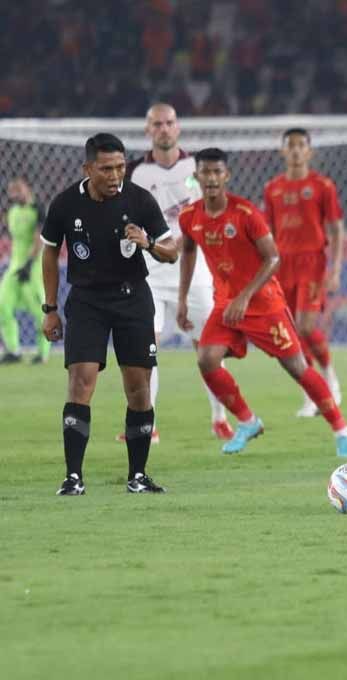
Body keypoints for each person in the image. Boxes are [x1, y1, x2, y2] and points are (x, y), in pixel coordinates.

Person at [177, 148, 347, 457]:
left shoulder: (245, 213)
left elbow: (273, 258)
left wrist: (245, 297)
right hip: (226, 305)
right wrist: (182, 297)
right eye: (205, 172)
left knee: (297, 368)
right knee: (206, 359)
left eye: (217, 172)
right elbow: (188, 252)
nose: (211, 178)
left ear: (226, 176)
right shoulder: (189, 217)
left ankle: (342, 429)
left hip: (263, 304)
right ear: (196, 177)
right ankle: (248, 422)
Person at [40, 133, 178, 495]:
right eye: (106, 169)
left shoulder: (139, 199)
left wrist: (147, 242)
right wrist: (50, 309)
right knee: (81, 381)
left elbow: (171, 250)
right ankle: (73, 477)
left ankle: (138, 476)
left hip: (133, 300)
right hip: (87, 302)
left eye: (120, 167)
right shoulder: (66, 203)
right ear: (88, 168)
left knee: (139, 389)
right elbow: (50, 254)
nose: (116, 175)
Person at [125, 102, 231, 443]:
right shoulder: (134, 173)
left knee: (208, 348)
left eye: (169, 123)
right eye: (157, 124)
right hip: (150, 273)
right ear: (148, 130)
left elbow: (216, 212)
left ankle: (220, 418)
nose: (164, 129)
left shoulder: (198, 169)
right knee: (146, 348)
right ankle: (147, 426)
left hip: (194, 270)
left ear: (178, 127)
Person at [262, 128, 345, 417]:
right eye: (291, 145)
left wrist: (336, 268)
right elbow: (267, 232)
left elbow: (336, 228)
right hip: (282, 266)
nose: (296, 150)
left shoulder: (323, 186)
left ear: (309, 151)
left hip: (312, 263)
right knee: (293, 335)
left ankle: (331, 381)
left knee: (306, 327)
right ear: (283, 151)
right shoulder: (272, 188)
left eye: (301, 145)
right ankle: (312, 396)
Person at [0, 177, 50, 364]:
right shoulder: (12, 211)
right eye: (12, 191)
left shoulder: (38, 209)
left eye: (18, 189)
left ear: (27, 188)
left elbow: (40, 238)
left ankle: (42, 353)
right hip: (15, 265)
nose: (14, 194)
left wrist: (29, 264)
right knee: (2, 305)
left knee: (39, 312)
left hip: (33, 266)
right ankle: (13, 350)